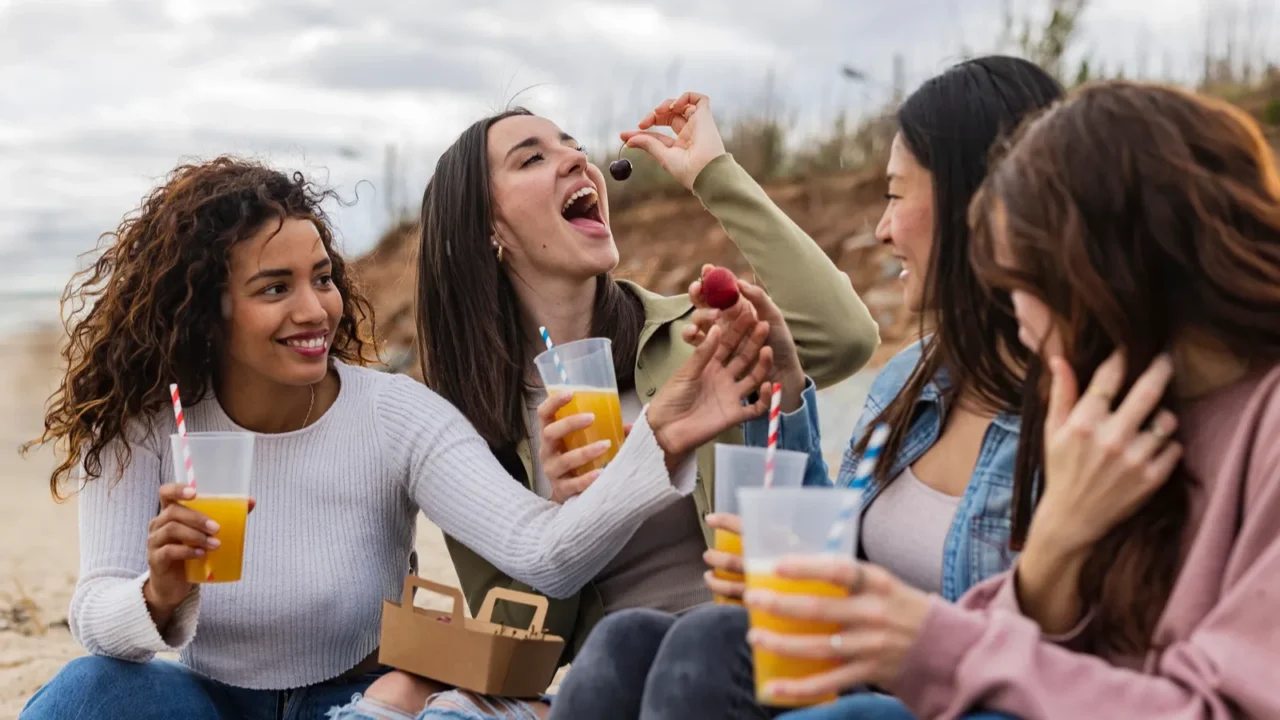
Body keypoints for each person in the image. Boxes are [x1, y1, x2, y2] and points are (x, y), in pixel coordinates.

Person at [17, 156, 777, 720]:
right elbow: (94, 612)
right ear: (206, 312)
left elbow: (546, 552)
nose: (315, 309)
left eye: (322, 277)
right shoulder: (147, 423)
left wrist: (659, 437)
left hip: (357, 701)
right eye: (275, 288)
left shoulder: (391, 415)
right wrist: (159, 594)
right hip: (204, 701)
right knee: (89, 690)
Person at [548, 56, 1063, 720]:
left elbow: (1076, 656)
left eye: (895, 195)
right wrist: (785, 390)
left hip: (966, 698)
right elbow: (831, 548)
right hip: (861, 675)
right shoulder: (912, 381)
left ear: (981, 203)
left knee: (713, 642)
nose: (881, 229)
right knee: (624, 643)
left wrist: (714, 173)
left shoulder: (1082, 415)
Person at [744, 82, 1280, 719]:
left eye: (1021, 280)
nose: (1013, 316)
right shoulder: (1126, 411)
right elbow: (1073, 665)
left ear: (1101, 268)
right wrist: (1057, 542)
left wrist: (937, 645)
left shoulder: (1252, 424)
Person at [335, 91, 873, 719]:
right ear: (488, 230)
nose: (575, 159)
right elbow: (524, 649)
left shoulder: (695, 337)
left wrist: (714, 174)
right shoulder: (468, 427)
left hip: (745, 658)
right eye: (532, 158)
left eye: (572, 145)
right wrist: (563, 517)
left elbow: (843, 338)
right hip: (613, 685)